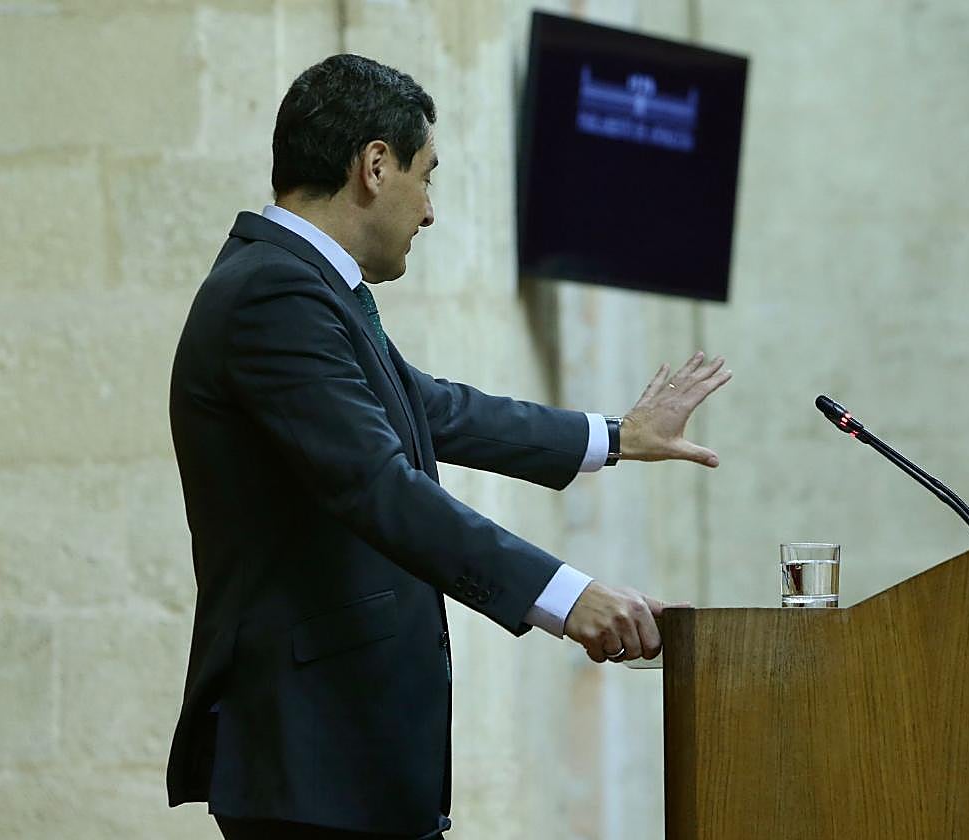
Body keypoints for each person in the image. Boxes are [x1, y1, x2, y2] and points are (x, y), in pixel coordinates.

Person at [165, 54, 732, 840]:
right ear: (374, 165)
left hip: (340, 763)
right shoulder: (275, 292)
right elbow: (378, 485)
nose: (429, 211)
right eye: (426, 176)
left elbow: (433, 407)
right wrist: (567, 598)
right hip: (310, 761)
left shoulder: (298, 284)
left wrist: (615, 437)